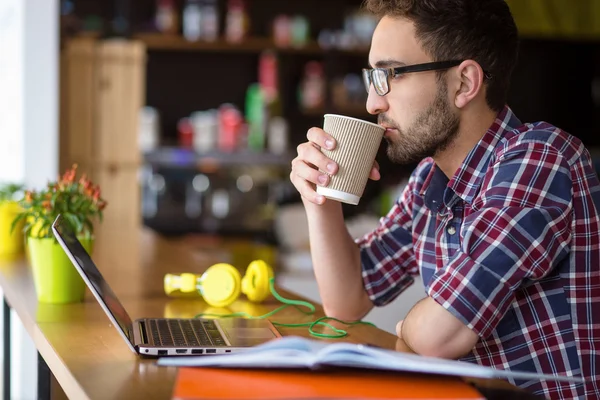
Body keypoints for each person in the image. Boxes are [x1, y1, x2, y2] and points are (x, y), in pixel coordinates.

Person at [289, 0, 600, 399]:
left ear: (464, 83)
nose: (372, 103)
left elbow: (441, 334)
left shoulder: (541, 158)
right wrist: (321, 197)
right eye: (372, 77)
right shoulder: (429, 182)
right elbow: (347, 300)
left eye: (390, 75)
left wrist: (410, 328)